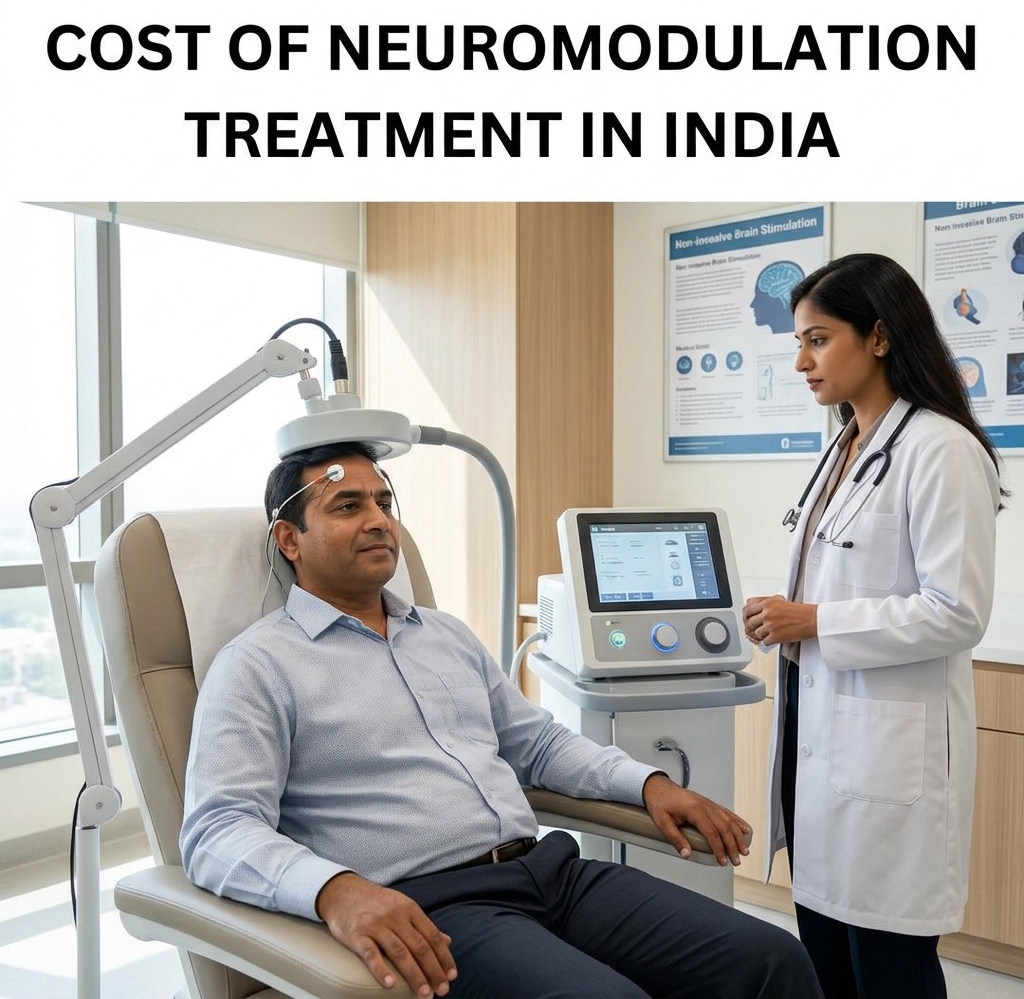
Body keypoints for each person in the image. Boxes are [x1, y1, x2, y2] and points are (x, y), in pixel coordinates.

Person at [181, 442, 823, 999]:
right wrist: (336, 891)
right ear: (289, 539)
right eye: (347, 506)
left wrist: (648, 783)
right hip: (433, 908)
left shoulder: (444, 635)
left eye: (384, 502)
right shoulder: (258, 665)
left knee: (772, 960)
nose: (378, 520)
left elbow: (535, 745)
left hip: (551, 874)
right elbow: (217, 829)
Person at [742, 253, 1005, 999]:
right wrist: (792, 615)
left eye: (818, 340)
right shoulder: (844, 446)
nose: (801, 362)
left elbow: (957, 611)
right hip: (820, 747)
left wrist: (815, 620)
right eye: (799, 343)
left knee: (889, 976)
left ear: (880, 337)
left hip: (888, 768)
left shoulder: (941, 449)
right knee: (828, 968)